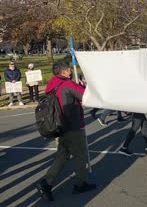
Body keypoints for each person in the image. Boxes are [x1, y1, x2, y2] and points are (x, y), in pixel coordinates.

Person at [36, 61, 96, 201]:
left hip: (59, 125)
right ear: (63, 71)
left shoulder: (52, 85)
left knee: (62, 156)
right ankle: (81, 183)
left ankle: (46, 183)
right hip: (73, 125)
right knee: (80, 155)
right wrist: (85, 86)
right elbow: (85, 97)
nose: (70, 72)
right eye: (69, 70)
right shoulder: (68, 84)